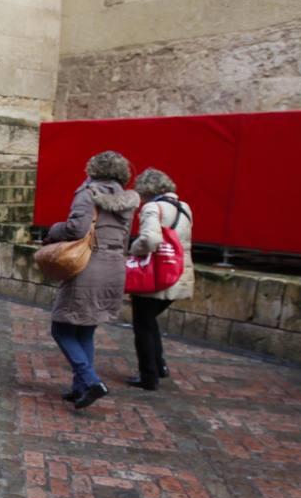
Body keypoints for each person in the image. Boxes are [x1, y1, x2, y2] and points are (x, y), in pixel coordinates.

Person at [43, 150, 140, 410]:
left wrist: (53, 230)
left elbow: (76, 228)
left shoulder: (88, 193)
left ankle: (91, 380)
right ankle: (80, 388)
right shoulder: (127, 201)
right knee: (86, 329)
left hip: (88, 266)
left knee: (61, 328)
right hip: (113, 267)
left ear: (93, 169)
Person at [127, 168, 194, 391]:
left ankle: (148, 376)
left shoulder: (151, 208)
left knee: (142, 326)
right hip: (179, 275)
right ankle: (160, 366)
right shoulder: (184, 208)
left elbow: (150, 239)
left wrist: (133, 250)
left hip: (155, 276)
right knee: (150, 321)